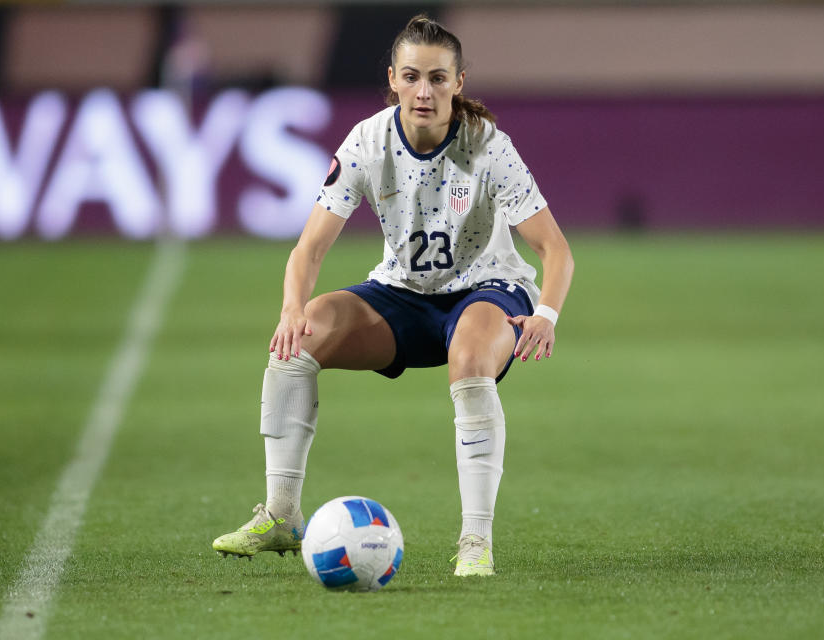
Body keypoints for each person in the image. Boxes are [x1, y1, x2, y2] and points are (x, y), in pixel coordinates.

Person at [212, 14, 574, 577]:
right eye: (412, 77)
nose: (424, 91)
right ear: (393, 79)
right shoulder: (367, 141)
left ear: (458, 82)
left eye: (437, 78)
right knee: (300, 337)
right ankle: (281, 515)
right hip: (401, 293)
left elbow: (555, 250)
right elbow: (307, 250)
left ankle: (476, 542)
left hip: (486, 290)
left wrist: (546, 313)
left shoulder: (488, 147)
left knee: (471, 360)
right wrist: (289, 311)